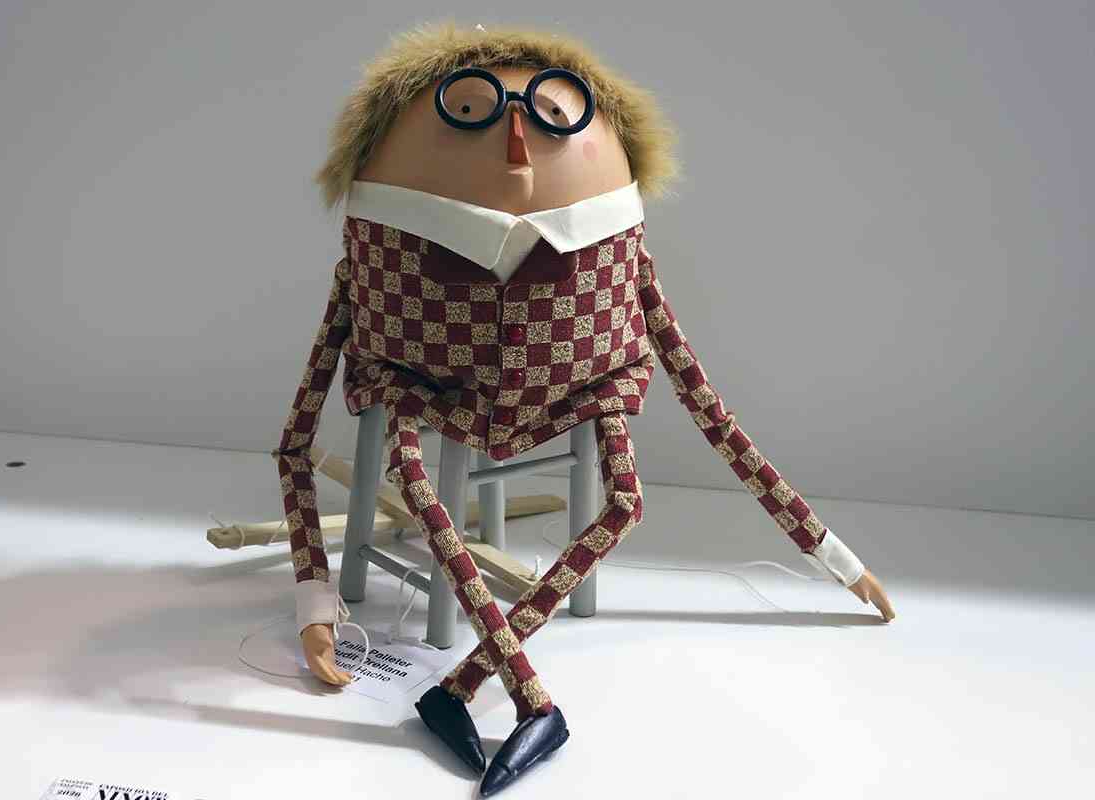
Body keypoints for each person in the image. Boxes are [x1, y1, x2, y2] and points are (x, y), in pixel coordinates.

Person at [274, 22, 895, 796]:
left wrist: (835, 556)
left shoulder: (621, 264)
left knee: (624, 501)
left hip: (584, 379)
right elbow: (294, 447)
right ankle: (520, 698)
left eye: (549, 112)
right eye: (469, 108)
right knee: (420, 483)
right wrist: (315, 600)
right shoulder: (378, 272)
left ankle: (466, 684)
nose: (516, 142)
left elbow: (712, 413)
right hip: (415, 378)